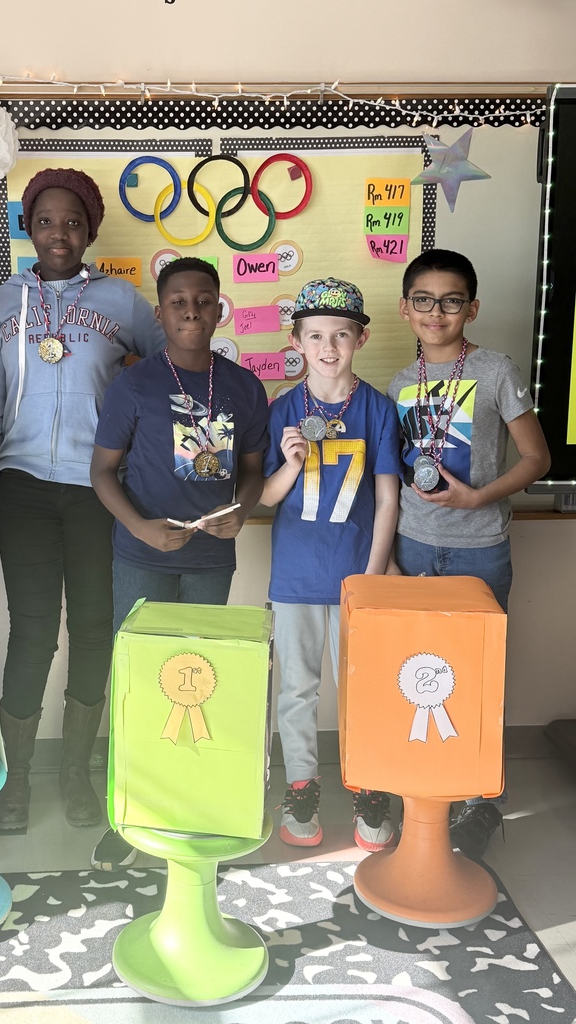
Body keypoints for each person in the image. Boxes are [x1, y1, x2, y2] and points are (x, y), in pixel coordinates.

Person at [0, 168, 165, 835]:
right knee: (31, 633)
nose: (59, 232)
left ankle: (79, 772)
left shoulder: (122, 301)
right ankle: (15, 779)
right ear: (27, 226)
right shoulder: (0, 304)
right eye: (46, 220)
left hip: (96, 489)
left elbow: (171, 367)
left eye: (73, 221)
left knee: (91, 629)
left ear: (90, 230)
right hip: (21, 487)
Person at [88, 256, 269, 870]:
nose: (192, 310)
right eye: (177, 302)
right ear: (160, 312)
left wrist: (242, 512)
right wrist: (138, 524)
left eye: (203, 300)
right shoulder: (134, 386)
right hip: (142, 556)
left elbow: (250, 469)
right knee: (139, 683)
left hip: (212, 558)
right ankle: (128, 811)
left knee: (199, 680)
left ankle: (191, 800)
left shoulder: (244, 386)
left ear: (221, 308)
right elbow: (102, 472)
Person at [388, 248, 550, 859]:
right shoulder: (402, 383)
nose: (437, 312)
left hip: (480, 549)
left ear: (471, 308)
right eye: (424, 300)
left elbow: (538, 460)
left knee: (480, 678)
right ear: (407, 309)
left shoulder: (496, 369)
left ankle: (480, 801)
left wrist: (479, 496)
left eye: (451, 300)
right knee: (421, 677)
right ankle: (428, 789)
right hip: (413, 543)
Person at [262, 278, 401, 852]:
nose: (327, 347)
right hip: (295, 576)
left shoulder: (378, 408)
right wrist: (292, 464)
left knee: (361, 689)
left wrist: (370, 578)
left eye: (340, 335)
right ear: (296, 341)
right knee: (296, 689)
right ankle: (301, 789)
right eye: (315, 335)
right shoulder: (282, 409)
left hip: (356, 577)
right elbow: (266, 498)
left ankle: (368, 790)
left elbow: (389, 497)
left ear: (360, 339)